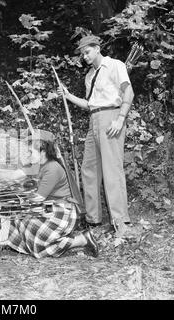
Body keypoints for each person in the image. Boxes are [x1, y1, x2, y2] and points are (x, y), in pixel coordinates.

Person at [57, 35, 134, 237]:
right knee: (89, 169)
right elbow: (90, 104)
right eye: (82, 54)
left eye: (87, 52)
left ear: (97, 48)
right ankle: (93, 220)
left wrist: (120, 118)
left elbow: (129, 92)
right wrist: (68, 95)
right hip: (94, 120)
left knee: (112, 170)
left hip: (112, 117)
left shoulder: (115, 65)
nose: (84, 56)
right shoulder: (89, 76)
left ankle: (120, 221)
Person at [0, 133, 99, 258]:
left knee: (35, 235)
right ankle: (45, 242)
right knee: (19, 219)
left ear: (42, 152)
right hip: (48, 207)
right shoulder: (37, 166)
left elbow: (38, 198)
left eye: (31, 152)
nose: (28, 154)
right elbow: (14, 176)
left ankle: (81, 240)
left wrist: (17, 198)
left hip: (63, 211)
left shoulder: (52, 168)